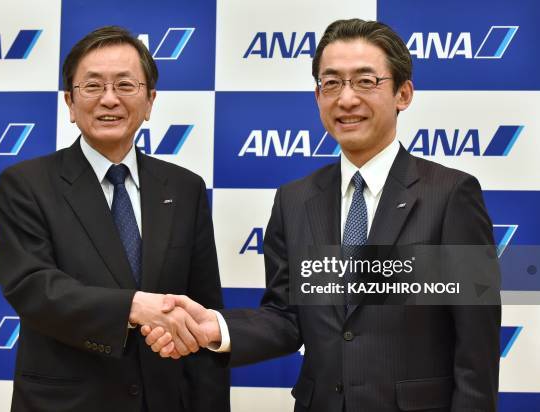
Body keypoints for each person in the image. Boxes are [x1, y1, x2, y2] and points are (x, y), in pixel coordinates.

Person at [143, 19, 501, 412]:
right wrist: (217, 328)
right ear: (317, 96)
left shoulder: (450, 195)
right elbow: (287, 317)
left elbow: (476, 345)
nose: (346, 99)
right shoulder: (296, 200)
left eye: (366, 81)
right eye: (331, 83)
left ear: (403, 93)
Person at [0, 26, 229, 412]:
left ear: (150, 101)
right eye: (92, 87)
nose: (109, 100)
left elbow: (203, 309)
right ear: (70, 103)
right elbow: (34, 288)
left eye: (125, 85)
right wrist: (135, 307)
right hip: (67, 401)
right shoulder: (26, 185)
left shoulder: (185, 188)